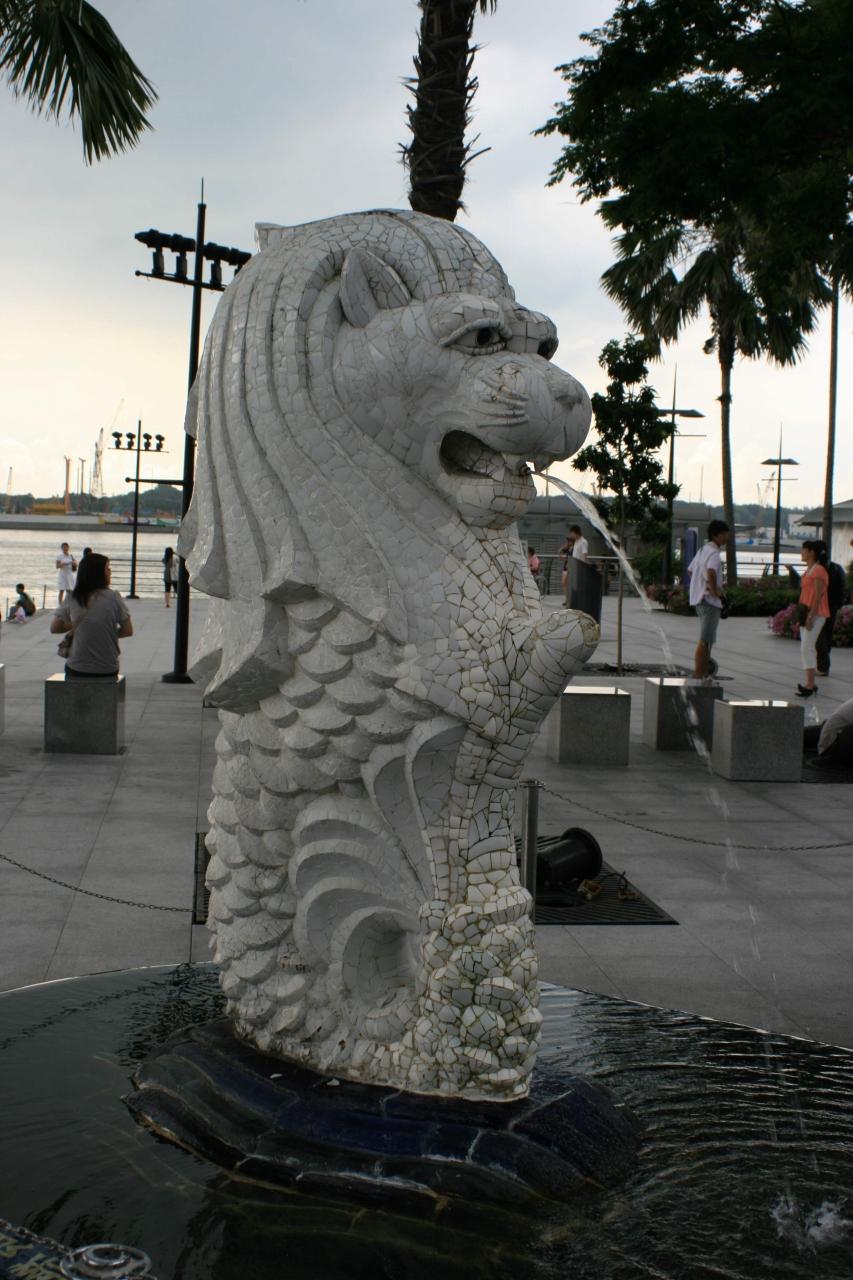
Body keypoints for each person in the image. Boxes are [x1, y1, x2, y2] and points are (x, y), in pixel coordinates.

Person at [50, 553, 133, 678]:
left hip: (77, 667)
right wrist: (104, 631)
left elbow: (54, 628)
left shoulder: (73, 597)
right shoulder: (114, 597)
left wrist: (78, 625)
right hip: (108, 667)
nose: (110, 572)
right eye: (107, 569)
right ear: (98, 574)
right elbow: (128, 631)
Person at [688, 520, 729, 679]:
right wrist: (714, 590)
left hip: (699, 600)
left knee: (708, 639)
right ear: (715, 535)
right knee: (705, 640)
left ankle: (703, 672)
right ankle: (698, 674)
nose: (726, 537)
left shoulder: (702, 550)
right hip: (709, 602)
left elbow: (690, 571)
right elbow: (711, 572)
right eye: (724, 534)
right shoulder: (714, 553)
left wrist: (700, 585)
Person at [795, 540, 829, 697]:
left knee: (806, 647)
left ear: (811, 552)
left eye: (804, 550)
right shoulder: (809, 570)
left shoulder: (819, 571)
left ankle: (810, 684)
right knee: (807, 647)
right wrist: (800, 616)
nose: (801, 553)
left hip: (817, 613)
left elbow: (818, 596)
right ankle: (810, 683)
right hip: (807, 613)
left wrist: (811, 616)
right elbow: (804, 595)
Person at [814, 539, 845, 677]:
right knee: (827, 634)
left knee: (819, 636)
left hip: (821, 605)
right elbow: (843, 586)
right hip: (833, 605)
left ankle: (822, 666)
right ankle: (823, 664)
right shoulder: (836, 567)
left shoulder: (818, 569)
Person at [558, 524, 589, 591]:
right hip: (573, 566)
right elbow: (574, 555)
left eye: (572, 533)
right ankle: (570, 597)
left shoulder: (583, 542)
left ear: (576, 532)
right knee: (570, 584)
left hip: (578, 567)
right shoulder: (576, 541)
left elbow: (584, 555)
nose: (571, 535)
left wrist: (581, 568)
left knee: (577, 585)